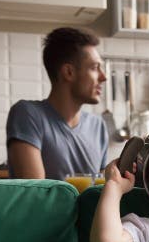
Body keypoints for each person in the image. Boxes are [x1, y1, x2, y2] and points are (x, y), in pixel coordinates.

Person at [7, 27, 109, 180]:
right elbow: (36, 193)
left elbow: (101, 192)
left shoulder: (98, 126)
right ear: (68, 72)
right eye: (95, 68)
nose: (103, 77)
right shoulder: (27, 114)